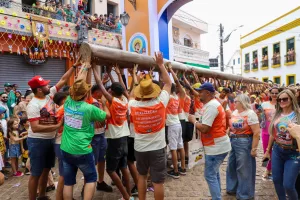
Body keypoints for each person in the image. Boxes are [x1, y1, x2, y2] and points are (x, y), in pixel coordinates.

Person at [27, 59, 79, 200]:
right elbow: (35, 128)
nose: (48, 85)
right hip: (37, 141)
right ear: (38, 89)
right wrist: (56, 126)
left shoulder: (49, 94)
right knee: (35, 173)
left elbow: (63, 79)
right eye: (45, 85)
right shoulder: (33, 105)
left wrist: (74, 66)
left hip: (51, 140)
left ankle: (42, 196)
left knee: (46, 170)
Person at [60, 63, 111, 200]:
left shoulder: (68, 102)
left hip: (66, 148)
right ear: (85, 94)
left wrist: (84, 67)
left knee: (68, 182)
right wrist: (105, 105)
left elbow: (77, 82)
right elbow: (107, 116)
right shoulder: (89, 108)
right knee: (90, 179)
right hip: (83, 149)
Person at [128, 52, 172, 200]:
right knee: (158, 181)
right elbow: (168, 83)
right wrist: (160, 65)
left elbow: (131, 95)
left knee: (141, 176)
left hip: (140, 147)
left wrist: (137, 80)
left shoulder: (133, 105)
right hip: (158, 148)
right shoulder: (161, 103)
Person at [93, 64, 133, 200]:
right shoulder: (125, 100)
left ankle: (126, 196)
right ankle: (128, 194)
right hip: (124, 138)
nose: (107, 92)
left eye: (110, 91)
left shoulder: (114, 102)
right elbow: (122, 86)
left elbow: (100, 86)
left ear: (113, 93)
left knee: (110, 170)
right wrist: (112, 74)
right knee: (123, 167)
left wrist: (93, 68)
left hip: (115, 139)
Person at [188, 82, 231, 200]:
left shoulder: (211, 106)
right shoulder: (211, 104)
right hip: (216, 145)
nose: (198, 94)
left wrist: (194, 121)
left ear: (207, 93)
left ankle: (216, 198)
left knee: (210, 175)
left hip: (215, 147)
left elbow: (205, 129)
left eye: (200, 92)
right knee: (214, 173)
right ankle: (216, 196)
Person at [263, 89, 300, 200]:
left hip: (293, 152)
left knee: (288, 185)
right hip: (278, 150)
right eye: (279, 99)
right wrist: (268, 150)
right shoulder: (276, 114)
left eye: (285, 99)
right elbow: (272, 134)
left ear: (291, 99)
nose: (281, 101)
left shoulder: (298, 114)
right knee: (276, 180)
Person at [226, 94, 260, 199]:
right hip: (233, 140)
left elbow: (256, 133)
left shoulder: (250, 114)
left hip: (245, 141)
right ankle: (233, 188)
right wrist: (228, 133)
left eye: (236, 101)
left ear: (242, 102)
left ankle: (245, 194)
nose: (233, 103)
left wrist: (254, 148)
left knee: (244, 168)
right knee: (231, 166)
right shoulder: (235, 112)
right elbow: (231, 126)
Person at [90, 84, 113, 193]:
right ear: (96, 92)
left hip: (101, 134)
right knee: (92, 161)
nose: (104, 93)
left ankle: (101, 181)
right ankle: (87, 185)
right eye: (101, 91)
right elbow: (104, 116)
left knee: (101, 159)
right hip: (93, 136)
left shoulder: (99, 102)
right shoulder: (91, 101)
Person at [165, 64, 186, 178]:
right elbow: (178, 84)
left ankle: (176, 171)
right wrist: (171, 72)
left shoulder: (167, 98)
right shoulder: (177, 97)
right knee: (180, 146)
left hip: (172, 125)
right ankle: (182, 168)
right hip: (178, 124)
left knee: (173, 148)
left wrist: (168, 72)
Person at [53, 91, 68, 200]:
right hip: (62, 143)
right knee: (64, 174)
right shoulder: (63, 109)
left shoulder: (59, 110)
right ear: (63, 99)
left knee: (64, 173)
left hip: (59, 143)